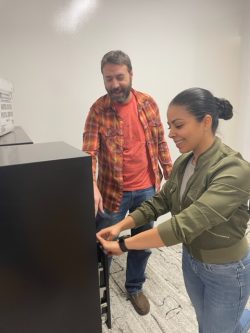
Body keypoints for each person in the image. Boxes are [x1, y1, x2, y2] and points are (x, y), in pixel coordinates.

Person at [97, 87, 250, 332]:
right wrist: (119, 225)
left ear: (206, 122)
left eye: (178, 125)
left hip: (227, 271)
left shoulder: (235, 170)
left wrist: (123, 244)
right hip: (192, 261)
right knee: (207, 324)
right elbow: (160, 203)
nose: (170, 134)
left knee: (216, 329)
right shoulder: (184, 162)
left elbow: (183, 225)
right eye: (169, 126)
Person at [82, 50, 172, 315]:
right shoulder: (98, 109)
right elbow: (89, 152)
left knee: (142, 241)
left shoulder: (147, 103)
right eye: (108, 79)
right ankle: (94, 288)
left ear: (131, 74)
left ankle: (134, 287)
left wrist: (170, 173)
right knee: (102, 242)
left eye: (119, 77)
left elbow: (160, 142)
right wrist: (92, 185)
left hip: (147, 189)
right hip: (112, 193)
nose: (114, 84)